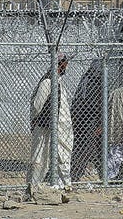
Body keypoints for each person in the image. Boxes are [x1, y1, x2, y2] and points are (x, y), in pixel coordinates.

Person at [27, 53, 73, 191]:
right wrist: (37, 122)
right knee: (40, 157)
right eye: (64, 65)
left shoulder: (56, 81)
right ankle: (33, 186)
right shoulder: (48, 82)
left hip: (60, 127)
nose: (66, 68)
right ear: (60, 65)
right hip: (45, 127)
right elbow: (37, 106)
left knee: (62, 156)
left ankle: (63, 185)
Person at [70, 60, 103, 182]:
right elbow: (97, 103)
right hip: (89, 119)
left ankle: (104, 175)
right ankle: (75, 175)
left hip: (82, 118)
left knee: (90, 149)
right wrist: (100, 123)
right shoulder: (94, 81)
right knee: (88, 149)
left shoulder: (86, 78)